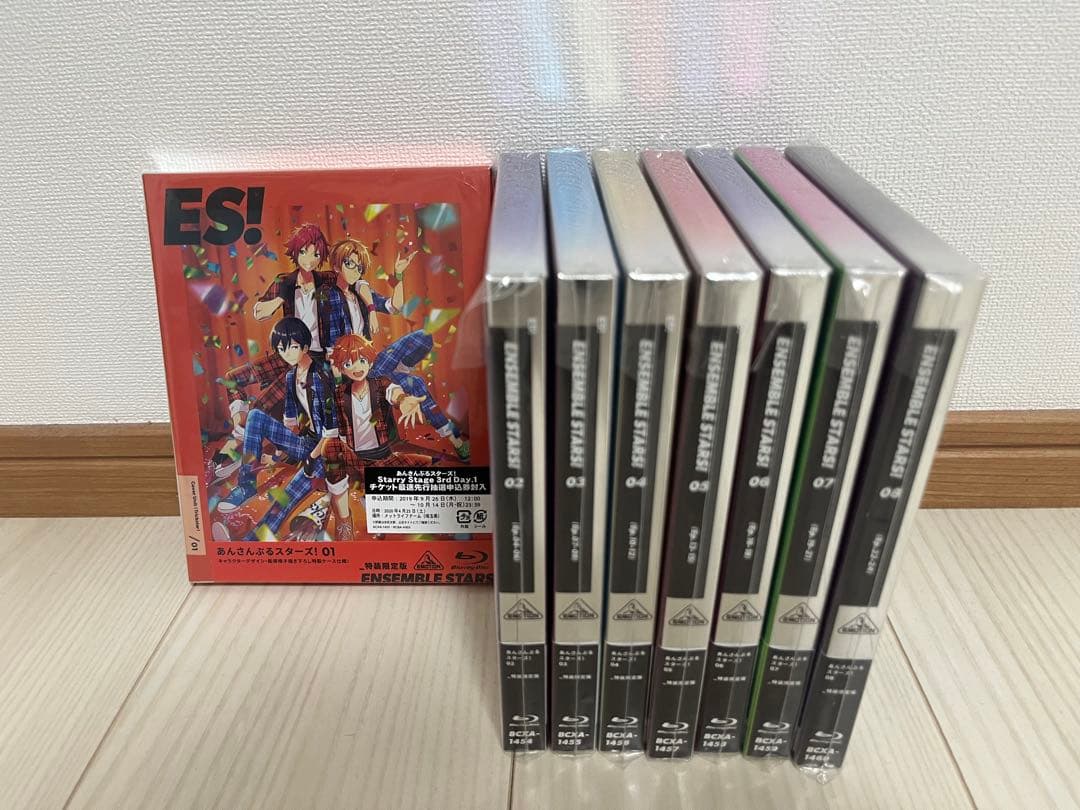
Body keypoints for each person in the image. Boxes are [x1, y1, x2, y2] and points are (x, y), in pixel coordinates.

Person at [215, 317, 337, 539]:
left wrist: (311, 459)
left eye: (292, 347)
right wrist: (279, 455)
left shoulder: (320, 377)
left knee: (286, 496)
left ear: (305, 347)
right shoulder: (291, 376)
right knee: (256, 416)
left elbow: (332, 429)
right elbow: (291, 425)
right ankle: (246, 485)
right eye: (282, 349)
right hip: (307, 442)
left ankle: (250, 543)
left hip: (326, 451)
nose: (287, 354)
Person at [317, 238, 415, 350]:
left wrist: (399, 274)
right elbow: (332, 341)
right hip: (344, 357)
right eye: (349, 263)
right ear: (336, 267)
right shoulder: (330, 295)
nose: (355, 271)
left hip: (364, 355)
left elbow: (395, 306)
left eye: (360, 268)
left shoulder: (360, 293)